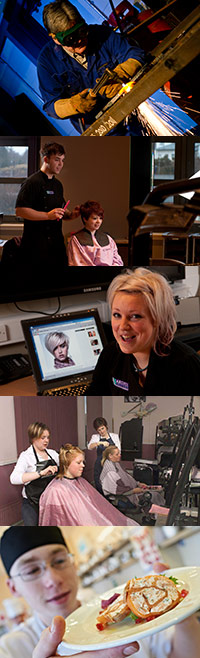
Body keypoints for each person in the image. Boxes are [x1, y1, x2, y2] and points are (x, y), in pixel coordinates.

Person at [0, 526, 200, 658]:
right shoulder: (10, 649)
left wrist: (181, 617)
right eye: (32, 570)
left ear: (73, 563)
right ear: (13, 588)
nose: (53, 579)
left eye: (60, 561)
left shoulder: (127, 612)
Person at [37, 0, 145, 136]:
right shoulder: (47, 62)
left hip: (129, 109)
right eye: (71, 38)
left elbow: (135, 53)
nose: (80, 40)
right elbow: (51, 106)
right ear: (55, 39)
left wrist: (120, 74)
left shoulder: (101, 34)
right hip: (100, 126)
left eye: (82, 31)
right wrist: (73, 105)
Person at [88, 267, 200, 396]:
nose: (123, 326)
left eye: (135, 316)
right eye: (117, 315)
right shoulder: (110, 355)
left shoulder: (186, 365)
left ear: (158, 318)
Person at [15, 141, 79, 289]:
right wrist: (47, 215)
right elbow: (20, 210)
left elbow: (60, 210)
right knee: (36, 286)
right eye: (57, 160)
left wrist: (72, 215)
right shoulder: (32, 182)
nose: (61, 164)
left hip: (56, 245)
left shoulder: (58, 185)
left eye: (62, 160)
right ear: (46, 159)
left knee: (58, 285)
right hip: (35, 246)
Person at [39, 443, 137, 525]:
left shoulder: (81, 481)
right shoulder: (55, 490)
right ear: (66, 464)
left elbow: (96, 506)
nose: (83, 465)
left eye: (83, 462)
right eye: (79, 462)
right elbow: (55, 520)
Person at [10, 422, 59, 526]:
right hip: (32, 503)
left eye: (47, 437)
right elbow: (14, 478)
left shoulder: (53, 454)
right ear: (33, 438)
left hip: (49, 502)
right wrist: (40, 473)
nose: (46, 440)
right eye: (43, 437)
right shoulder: (26, 456)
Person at [100, 446, 165, 508]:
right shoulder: (110, 471)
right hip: (124, 496)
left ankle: (159, 512)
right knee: (153, 495)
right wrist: (133, 491)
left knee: (157, 492)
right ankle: (156, 515)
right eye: (117, 454)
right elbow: (117, 490)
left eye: (119, 453)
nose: (120, 455)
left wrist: (138, 484)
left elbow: (127, 477)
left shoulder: (117, 464)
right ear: (110, 456)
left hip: (131, 490)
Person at [68, 200, 123, 266]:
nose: (98, 221)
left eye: (100, 218)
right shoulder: (76, 240)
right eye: (94, 218)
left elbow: (117, 260)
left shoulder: (108, 239)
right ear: (85, 219)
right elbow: (77, 263)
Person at [88, 416, 120, 492]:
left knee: (112, 483)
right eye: (99, 430)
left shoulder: (114, 436)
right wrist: (99, 443)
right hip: (100, 464)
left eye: (102, 428)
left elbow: (119, 450)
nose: (101, 431)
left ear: (106, 427)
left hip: (112, 464)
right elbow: (89, 447)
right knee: (99, 483)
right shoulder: (95, 437)